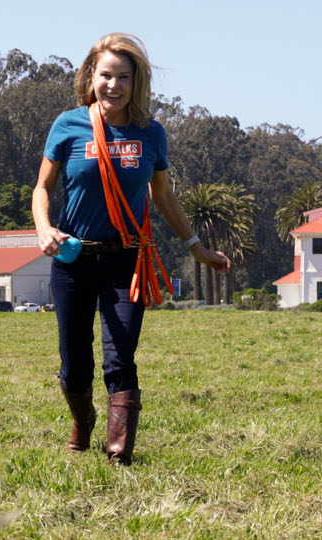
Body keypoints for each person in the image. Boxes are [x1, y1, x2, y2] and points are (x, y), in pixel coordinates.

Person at [32, 33, 230, 464]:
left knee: (119, 355)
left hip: (126, 260)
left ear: (136, 82)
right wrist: (44, 228)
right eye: (106, 75)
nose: (113, 85)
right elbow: (42, 188)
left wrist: (197, 248)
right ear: (91, 76)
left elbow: (163, 196)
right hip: (73, 260)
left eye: (124, 77)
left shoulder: (150, 133)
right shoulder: (68, 125)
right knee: (74, 364)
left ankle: (119, 453)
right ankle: (83, 421)